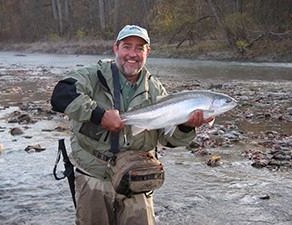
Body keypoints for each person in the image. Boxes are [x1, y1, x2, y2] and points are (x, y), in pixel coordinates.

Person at [51, 25, 212, 225]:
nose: (132, 54)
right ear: (116, 49)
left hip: (137, 179)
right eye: (127, 47)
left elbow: (169, 140)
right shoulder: (94, 75)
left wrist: (186, 127)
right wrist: (99, 115)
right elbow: (60, 95)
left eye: (139, 48)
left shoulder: (155, 89)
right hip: (93, 175)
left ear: (147, 53)